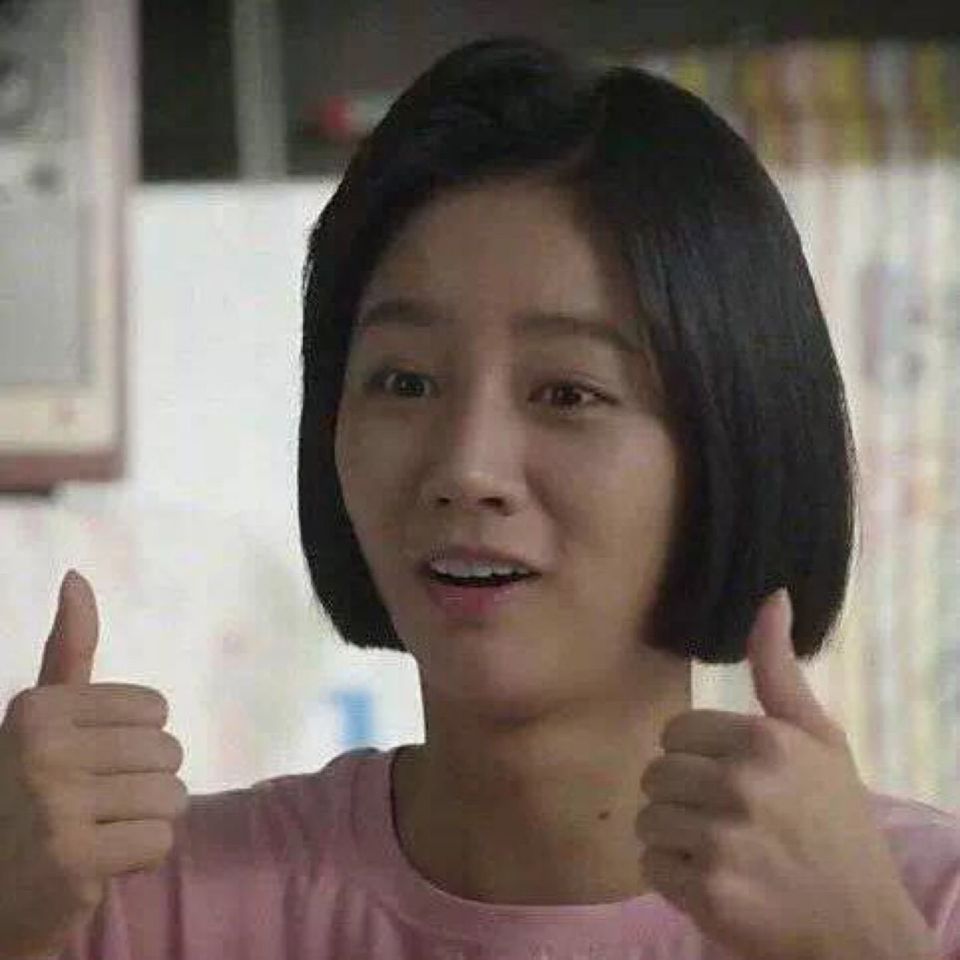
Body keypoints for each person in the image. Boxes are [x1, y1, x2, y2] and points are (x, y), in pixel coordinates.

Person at [1, 35, 957, 960]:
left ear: (730, 439)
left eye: (568, 393)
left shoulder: (917, 910)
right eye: (405, 382)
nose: (466, 467)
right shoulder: (136, 913)